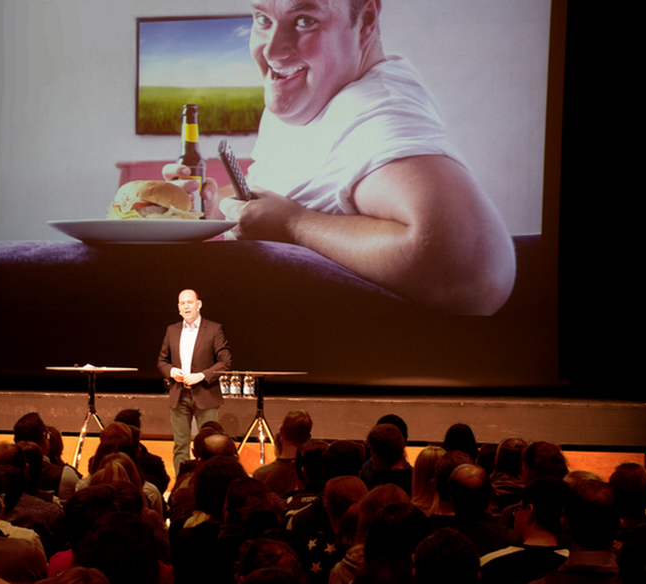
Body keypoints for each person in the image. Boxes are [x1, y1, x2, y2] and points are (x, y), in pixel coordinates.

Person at [166, 0, 515, 315]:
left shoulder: (376, 113)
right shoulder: (314, 91)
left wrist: (296, 225)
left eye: (304, 21)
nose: (271, 51)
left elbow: (474, 270)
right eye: (262, 19)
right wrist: (209, 205)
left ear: (365, 21)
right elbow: (296, 191)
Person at [157, 289, 232, 477]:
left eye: (190, 302)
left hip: (205, 394)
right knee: (180, 446)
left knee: (210, 445)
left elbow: (226, 362)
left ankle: (210, 482)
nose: (186, 306)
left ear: (199, 304)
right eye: (182, 303)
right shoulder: (172, 330)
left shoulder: (214, 329)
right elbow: (162, 361)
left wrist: (202, 375)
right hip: (179, 394)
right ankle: (182, 485)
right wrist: (172, 371)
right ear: (178, 308)